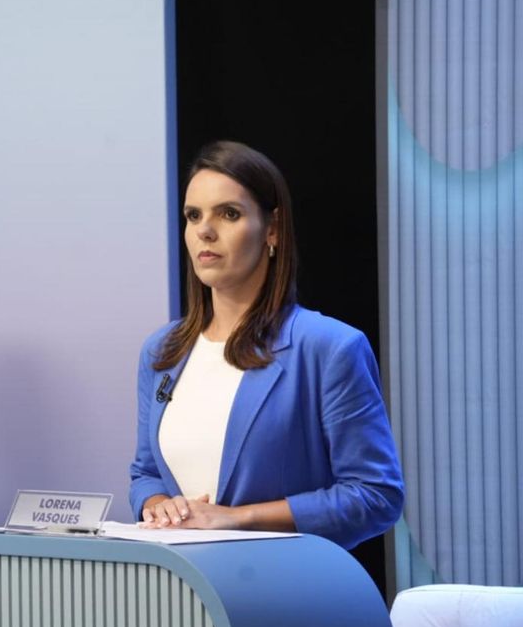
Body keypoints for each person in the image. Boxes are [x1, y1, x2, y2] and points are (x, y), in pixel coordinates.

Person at [128, 141, 402, 549]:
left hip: (284, 595)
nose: (205, 229)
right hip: (182, 594)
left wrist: (238, 519)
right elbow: (146, 473)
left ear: (272, 229)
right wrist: (157, 504)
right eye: (193, 215)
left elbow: (376, 496)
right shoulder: (162, 351)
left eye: (229, 214)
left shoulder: (330, 347)